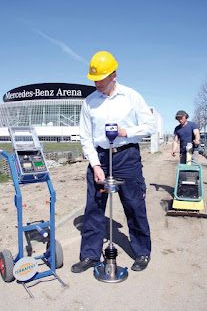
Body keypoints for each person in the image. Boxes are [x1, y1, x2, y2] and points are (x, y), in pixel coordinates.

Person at [71, 51, 156, 273]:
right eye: (94, 79)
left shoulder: (132, 97)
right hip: (100, 158)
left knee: (134, 205)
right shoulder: (89, 102)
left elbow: (150, 126)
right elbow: (85, 137)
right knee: (94, 208)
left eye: (101, 79)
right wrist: (95, 165)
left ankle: (142, 251)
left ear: (114, 75)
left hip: (126, 156)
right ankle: (89, 255)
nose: (97, 83)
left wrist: (125, 131)